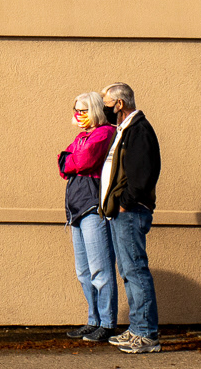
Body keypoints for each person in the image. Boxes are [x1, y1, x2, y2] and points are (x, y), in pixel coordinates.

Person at [98, 82, 161, 354]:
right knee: (128, 271)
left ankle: (147, 334)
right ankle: (137, 329)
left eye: (106, 104)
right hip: (122, 213)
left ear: (119, 104)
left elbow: (144, 173)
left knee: (135, 270)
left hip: (131, 212)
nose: (104, 109)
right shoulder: (125, 130)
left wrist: (125, 203)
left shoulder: (139, 130)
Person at [59, 92, 116, 342]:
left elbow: (83, 160)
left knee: (100, 269)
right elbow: (63, 162)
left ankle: (107, 322)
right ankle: (93, 319)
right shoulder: (81, 136)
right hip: (76, 208)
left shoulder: (104, 133)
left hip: (93, 207)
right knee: (83, 271)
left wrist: (70, 160)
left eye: (83, 110)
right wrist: (69, 160)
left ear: (94, 110)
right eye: (76, 110)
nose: (78, 115)